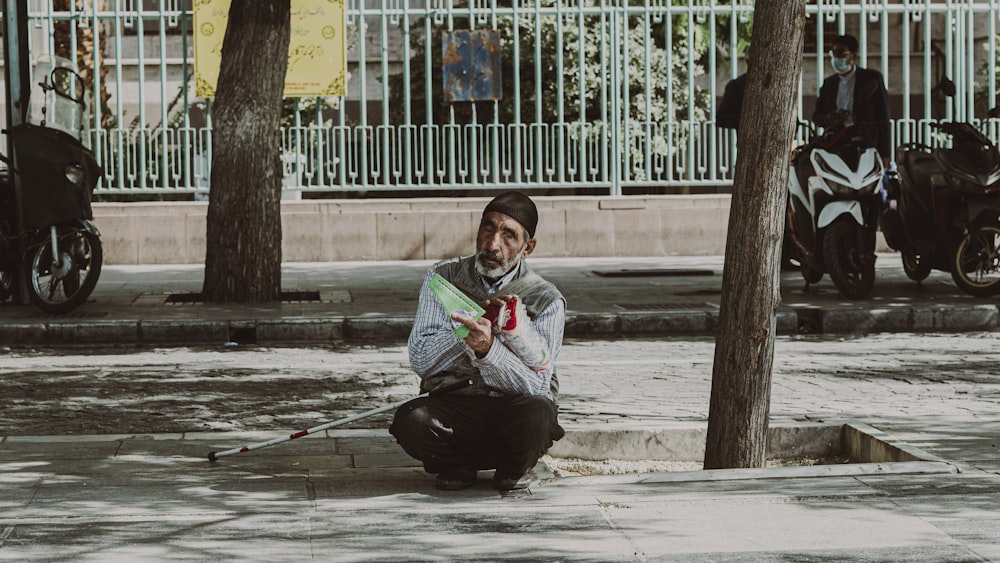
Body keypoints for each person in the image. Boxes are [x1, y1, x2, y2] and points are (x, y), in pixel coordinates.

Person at [389, 191, 566, 491]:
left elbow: (538, 385)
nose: (492, 244)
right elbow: (420, 359)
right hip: (455, 408)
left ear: (528, 247)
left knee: (539, 413)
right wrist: (465, 333)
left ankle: (512, 469)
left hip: (512, 413)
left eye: (508, 235)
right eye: (488, 228)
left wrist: (489, 350)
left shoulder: (546, 300)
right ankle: (456, 465)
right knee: (411, 419)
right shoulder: (443, 277)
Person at [812, 33, 891, 166]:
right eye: (834, 53)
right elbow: (816, 116)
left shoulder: (871, 79)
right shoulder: (829, 84)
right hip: (836, 143)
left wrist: (885, 154)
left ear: (853, 55)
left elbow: (883, 118)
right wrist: (829, 118)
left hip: (865, 144)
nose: (837, 58)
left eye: (841, 53)